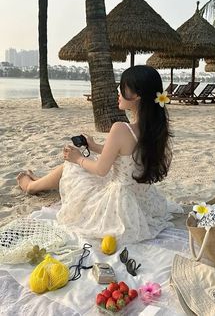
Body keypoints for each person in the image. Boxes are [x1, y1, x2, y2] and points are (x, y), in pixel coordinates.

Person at [17, 65, 174, 243]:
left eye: (122, 88)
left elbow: (100, 170)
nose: (118, 92)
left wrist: (78, 159)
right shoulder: (155, 128)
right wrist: (95, 146)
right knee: (81, 162)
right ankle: (39, 181)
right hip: (141, 197)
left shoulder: (121, 128)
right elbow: (128, 155)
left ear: (136, 95)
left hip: (118, 201)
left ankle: (31, 186)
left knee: (72, 167)